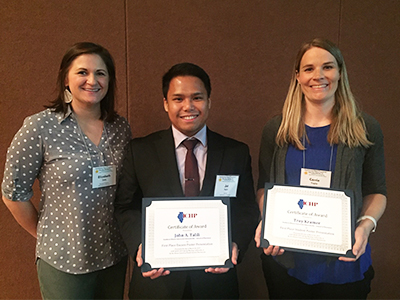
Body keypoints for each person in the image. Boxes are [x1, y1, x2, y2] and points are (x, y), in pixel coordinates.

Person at [254, 38, 387, 299]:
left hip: (344, 265)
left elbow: (377, 191)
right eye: (308, 69)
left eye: (327, 67)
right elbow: (263, 187)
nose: (318, 76)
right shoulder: (277, 130)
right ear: (297, 76)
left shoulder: (366, 128)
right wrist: (268, 219)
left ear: (340, 72)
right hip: (287, 263)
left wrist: (365, 226)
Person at [114, 62, 259, 299]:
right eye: (178, 98)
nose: (188, 106)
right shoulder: (140, 151)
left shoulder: (236, 152)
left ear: (209, 101)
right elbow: (125, 207)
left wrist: (235, 244)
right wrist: (141, 245)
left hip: (215, 283)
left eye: (197, 98)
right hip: (158, 284)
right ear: (165, 103)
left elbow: (246, 208)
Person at [2, 42, 132, 299]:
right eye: (82, 72)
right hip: (64, 260)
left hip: (113, 255)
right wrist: (44, 234)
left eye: (101, 73)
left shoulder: (120, 127)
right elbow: (13, 194)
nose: (92, 80)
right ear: (66, 78)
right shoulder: (40, 127)